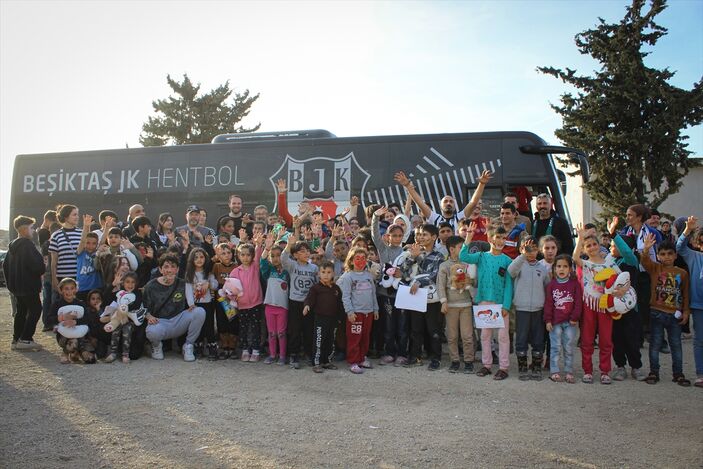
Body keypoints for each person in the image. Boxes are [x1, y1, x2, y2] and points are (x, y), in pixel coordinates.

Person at [460, 223, 513, 380]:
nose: (501, 241)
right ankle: (487, 365)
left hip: (501, 303)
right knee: (485, 335)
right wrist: (469, 237)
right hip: (483, 301)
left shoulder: (508, 261)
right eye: (498, 237)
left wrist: (507, 305)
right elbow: (464, 257)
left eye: (504, 238)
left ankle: (503, 367)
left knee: (503, 336)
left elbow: (509, 285)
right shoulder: (481, 256)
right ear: (490, 238)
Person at [640, 234, 691, 386]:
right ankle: (654, 372)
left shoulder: (682, 273)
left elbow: (686, 294)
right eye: (662, 254)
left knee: (676, 344)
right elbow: (645, 261)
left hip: (674, 314)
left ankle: (678, 373)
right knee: (655, 344)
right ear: (658, 255)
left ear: (675, 255)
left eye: (670, 254)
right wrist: (646, 249)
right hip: (656, 312)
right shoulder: (655, 268)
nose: (666, 257)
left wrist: (686, 311)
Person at [572, 223, 619, 385]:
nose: (592, 247)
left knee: (606, 340)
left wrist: (621, 290)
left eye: (594, 244)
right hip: (589, 305)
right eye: (588, 246)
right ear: (585, 249)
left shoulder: (610, 263)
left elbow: (622, 280)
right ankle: (588, 371)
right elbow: (575, 258)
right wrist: (580, 239)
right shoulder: (585, 264)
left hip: (606, 305)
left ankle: (605, 371)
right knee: (587, 339)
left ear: (599, 245)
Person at [144, 253, 206, 362]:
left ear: (177, 269)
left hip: (179, 321)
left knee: (199, 312)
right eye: (166, 267)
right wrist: (149, 317)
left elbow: (194, 294)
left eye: (173, 267)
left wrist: (204, 285)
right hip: (161, 322)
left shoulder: (183, 283)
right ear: (160, 269)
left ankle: (188, 345)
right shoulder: (151, 286)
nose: (169, 270)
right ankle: (157, 346)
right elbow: (144, 308)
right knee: (152, 331)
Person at [606, 217, 646, 382]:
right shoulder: (609, 262)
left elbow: (628, 252)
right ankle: (620, 366)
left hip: (630, 310)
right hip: (614, 309)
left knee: (631, 339)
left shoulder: (631, 261)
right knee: (616, 339)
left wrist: (614, 234)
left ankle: (636, 367)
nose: (611, 247)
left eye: (614, 246)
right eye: (611, 245)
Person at [400, 224, 445, 370]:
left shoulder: (438, 256)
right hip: (415, 296)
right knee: (415, 328)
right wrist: (413, 257)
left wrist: (420, 281)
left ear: (434, 237)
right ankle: (415, 356)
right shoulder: (410, 253)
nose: (420, 237)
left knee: (433, 329)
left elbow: (435, 275)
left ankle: (435, 357)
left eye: (424, 234)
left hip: (432, 298)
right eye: (418, 234)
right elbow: (404, 274)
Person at [394, 169, 492, 233]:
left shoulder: (460, 217)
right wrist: (407, 185)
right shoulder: (435, 218)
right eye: (445, 201)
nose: (448, 203)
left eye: (451, 201)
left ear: (455, 205)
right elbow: (420, 203)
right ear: (440, 206)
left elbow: (473, 202)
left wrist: (481, 184)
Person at [508, 238, 550, 381]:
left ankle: (537, 367)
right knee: (521, 339)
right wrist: (522, 256)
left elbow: (547, 287)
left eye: (533, 249)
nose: (531, 252)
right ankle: (523, 367)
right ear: (522, 250)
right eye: (527, 249)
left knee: (538, 340)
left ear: (538, 250)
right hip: (522, 309)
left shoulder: (542, 268)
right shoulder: (519, 264)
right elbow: (510, 271)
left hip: (538, 310)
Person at [371, 208, 407, 366]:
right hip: (385, 294)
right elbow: (375, 236)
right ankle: (389, 352)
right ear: (388, 237)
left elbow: (411, 271)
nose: (397, 238)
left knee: (402, 325)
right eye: (394, 235)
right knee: (388, 325)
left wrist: (402, 274)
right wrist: (375, 217)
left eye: (400, 235)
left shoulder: (406, 251)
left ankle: (402, 353)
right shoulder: (383, 249)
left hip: (403, 294)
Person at [4, 215, 46, 350]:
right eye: (31, 228)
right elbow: (37, 266)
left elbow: (5, 267)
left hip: (17, 287)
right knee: (36, 309)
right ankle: (26, 338)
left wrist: (11, 285)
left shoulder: (12, 247)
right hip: (29, 286)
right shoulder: (27, 245)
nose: (33, 231)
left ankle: (16, 340)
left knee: (21, 311)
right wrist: (42, 264)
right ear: (24, 229)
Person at [282, 221, 319, 369]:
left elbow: (317, 284)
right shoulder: (293, 265)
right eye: (302, 251)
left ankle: (309, 354)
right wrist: (288, 245)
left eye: (307, 251)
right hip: (295, 302)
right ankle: (294, 355)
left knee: (309, 330)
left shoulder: (314, 267)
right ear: (296, 255)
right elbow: (284, 259)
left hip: (308, 303)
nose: (306, 253)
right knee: (295, 330)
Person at [337, 247, 379, 374]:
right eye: (357, 258)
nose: (360, 261)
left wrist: (375, 309)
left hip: (369, 313)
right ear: (351, 260)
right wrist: (350, 312)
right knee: (354, 337)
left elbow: (373, 294)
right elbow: (346, 296)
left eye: (363, 258)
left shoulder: (368, 275)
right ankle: (353, 361)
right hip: (356, 314)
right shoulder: (348, 277)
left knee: (365, 337)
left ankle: (361, 358)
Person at [437, 235, 475, 373]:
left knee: (467, 335)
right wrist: (443, 301)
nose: (464, 249)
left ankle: (469, 361)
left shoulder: (467, 264)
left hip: (465, 305)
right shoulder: (444, 266)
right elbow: (440, 286)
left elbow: (474, 282)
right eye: (461, 247)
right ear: (452, 249)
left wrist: (470, 281)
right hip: (451, 306)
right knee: (452, 335)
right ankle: (455, 360)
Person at [544, 254, 582, 383]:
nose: (562, 269)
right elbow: (548, 304)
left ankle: (568, 371)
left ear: (570, 269)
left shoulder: (575, 284)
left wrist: (575, 317)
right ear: (554, 269)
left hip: (570, 322)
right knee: (555, 347)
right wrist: (548, 320)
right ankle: (554, 371)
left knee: (568, 347)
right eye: (559, 266)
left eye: (565, 266)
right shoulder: (551, 285)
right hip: (555, 323)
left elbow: (578, 303)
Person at [676, 216, 703, 388]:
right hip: (699, 305)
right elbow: (679, 247)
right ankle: (701, 374)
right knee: (699, 339)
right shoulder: (694, 257)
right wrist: (687, 229)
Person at [229, 237, 264, 362]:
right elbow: (230, 289)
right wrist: (233, 297)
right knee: (243, 328)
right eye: (242, 255)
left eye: (248, 255)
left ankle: (255, 350)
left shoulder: (255, 267)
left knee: (255, 327)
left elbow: (258, 256)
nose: (245, 257)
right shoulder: (235, 271)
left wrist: (258, 245)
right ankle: (244, 350)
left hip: (255, 303)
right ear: (238, 255)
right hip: (242, 305)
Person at [304, 261, 344, 373]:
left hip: (333, 319)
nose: (326, 275)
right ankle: (316, 363)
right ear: (318, 274)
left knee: (330, 341)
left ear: (333, 274)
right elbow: (309, 299)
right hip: (320, 319)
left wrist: (341, 318)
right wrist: (306, 306)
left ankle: (327, 361)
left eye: (328, 272)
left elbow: (340, 303)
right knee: (319, 341)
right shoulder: (315, 288)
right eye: (323, 272)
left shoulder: (336, 289)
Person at [48, 278, 97, 364]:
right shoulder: (57, 304)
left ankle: (77, 353)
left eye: (72, 288)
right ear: (61, 290)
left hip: (81, 336)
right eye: (66, 289)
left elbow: (88, 319)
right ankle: (66, 352)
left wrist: (76, 322)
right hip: (64, 336)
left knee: (91, 360)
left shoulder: (80, 303)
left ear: (76, 289)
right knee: (73, 342)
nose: (70, 291)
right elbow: (48, 320)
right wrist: (61, 318)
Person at [260, 233, 291, 365]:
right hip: (269, 306)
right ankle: (273, 354)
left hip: (283, 307)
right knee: (272, 333)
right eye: (273, 256)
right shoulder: (269, 270)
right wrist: (267, 249)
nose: (276, 258)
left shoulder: (287, 271)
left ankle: (282, 355)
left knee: (281, 332)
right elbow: (262, 262)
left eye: (279, 255)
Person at [184, 248, 219, 360]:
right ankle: (198, 347)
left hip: (207, 304)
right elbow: (188, 289)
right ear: (191, 260)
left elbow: (215, 285)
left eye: (201, 257)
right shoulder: (190, 274)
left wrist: (208, 284)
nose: (199, 260)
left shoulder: (208, 273)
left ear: (206, 258)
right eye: (196, 257)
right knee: (197, 326)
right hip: (195, 305)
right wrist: (190, 304)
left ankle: (212, 347)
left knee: (209, 326)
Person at [101, 271, 143, 364]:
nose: (130, 284)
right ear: (123, 283)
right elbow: (106, 299)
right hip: (118, 319)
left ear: (136, 284)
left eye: (133, 282)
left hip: (131, 321)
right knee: (116, 329)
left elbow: (136, 306)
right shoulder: (119, 294)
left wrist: (125, 311)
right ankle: (113, 352)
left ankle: (125, 354)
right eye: (127, 282)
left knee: (126, 329)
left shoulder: (137, 294)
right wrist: (112, 285)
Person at [49, 204, 82, 304]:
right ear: (66, 217)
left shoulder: (81, 233)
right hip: (63, 279)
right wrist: (54, 281)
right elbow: (54, 262)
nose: (77, 217)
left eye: (77, 214)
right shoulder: (56, 235)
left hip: (79, 278)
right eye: (74, 214)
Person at [212, 243, 238, 358]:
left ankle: (232, 347)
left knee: (232, 322)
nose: (227, 255)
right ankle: (223, 346)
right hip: (220, 298)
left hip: (232, 299)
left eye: (228, 253)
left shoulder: (236, 266)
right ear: (218, 255)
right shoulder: (216, 266)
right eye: (223, 253)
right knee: (221, 323)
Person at [76, 214, 103, 301]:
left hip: (96, 287)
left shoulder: (97, 252)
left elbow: (102, 242)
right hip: (82, 288)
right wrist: (86, 226)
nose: (90, 246)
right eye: (88, 243)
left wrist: (106, 228)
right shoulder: (81, 252)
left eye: (94, 243)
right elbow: (83, 240)